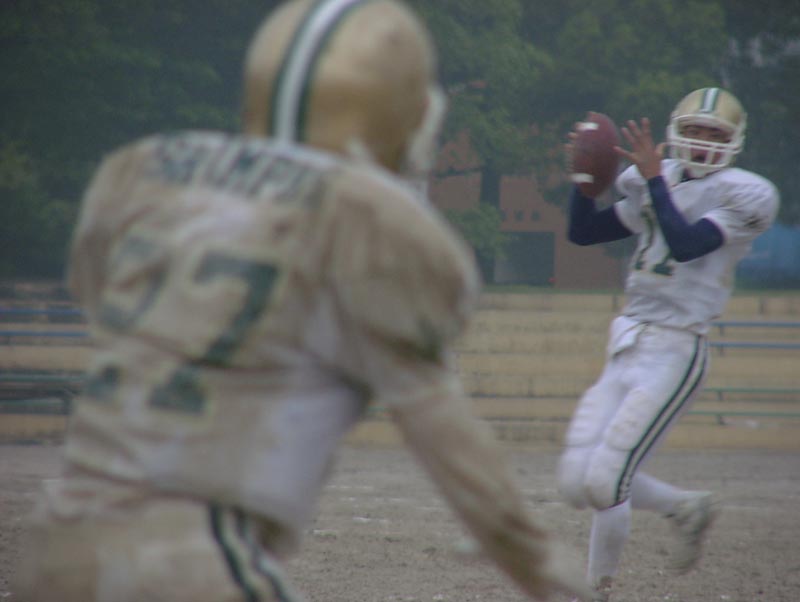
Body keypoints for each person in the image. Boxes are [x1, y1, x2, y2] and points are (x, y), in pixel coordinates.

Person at [12, 1, 592, 601]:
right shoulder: (372, 220)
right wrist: (533, 557)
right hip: (195, 548)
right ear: (391, 111)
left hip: (55, 544)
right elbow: (439, 425)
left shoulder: (144, 171)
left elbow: (99, 298)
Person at [557, 87, 780, 601]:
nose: (702, 142)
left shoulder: (743, 193)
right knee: (575, 480)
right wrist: (583, 182)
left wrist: (656, 180)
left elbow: (686, 244)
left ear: (734, 141)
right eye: (695, 131)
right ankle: (685, 507)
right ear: (676, 132)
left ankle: (595, 590)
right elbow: (584, 232)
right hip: (629, 338)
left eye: (714, 134)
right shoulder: (655, 181)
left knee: (606, 481)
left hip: (677, 348)